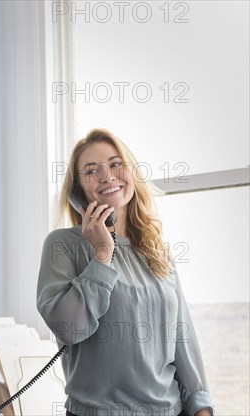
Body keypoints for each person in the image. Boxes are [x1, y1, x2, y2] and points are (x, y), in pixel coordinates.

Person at [36, 129, 213, 416]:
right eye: (91, 171)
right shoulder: (62, 245)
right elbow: (70, 328)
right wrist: (102, 254)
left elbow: (183, 337)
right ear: (78, 191)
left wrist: (201, 406)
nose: (106, 175)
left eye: (115, 164)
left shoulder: (158, 250)